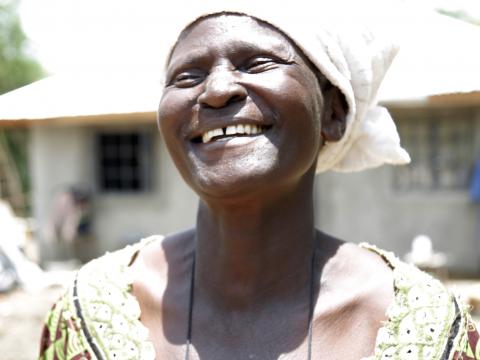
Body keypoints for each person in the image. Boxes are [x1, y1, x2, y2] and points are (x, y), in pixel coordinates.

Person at [39, 2, 479, 359]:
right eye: (187, 76)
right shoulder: (91, 315)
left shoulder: (425, 331)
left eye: (257, 63)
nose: (216, 90)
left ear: (333, 113)